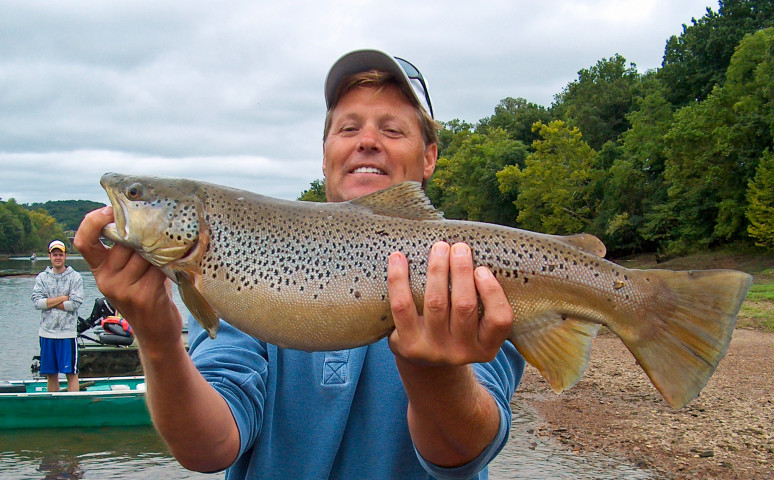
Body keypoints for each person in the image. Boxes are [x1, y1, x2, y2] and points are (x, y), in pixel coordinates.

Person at [74, 49, 525, 478]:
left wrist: (434, 374)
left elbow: (465, 454)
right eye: (348, 129)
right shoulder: (238, 271)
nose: (367, 141)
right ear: (324, 152)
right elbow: (207, 449)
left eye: (392, 130)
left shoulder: (467, 268)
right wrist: (156, 337)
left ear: (429, 157)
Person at [32, 239, 84, 392]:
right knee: (50, 373)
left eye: (60, 254)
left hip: (67, 333)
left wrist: (49, 302)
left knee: (71, 372)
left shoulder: (75, 277)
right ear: (50, 256)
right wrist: (62, 298)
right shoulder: (42, 277)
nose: (57, 258)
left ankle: (73, 405)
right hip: (46, 332)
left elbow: (74, 304)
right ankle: (52, 404)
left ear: (65, 256)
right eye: (54, 255)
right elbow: (37, 303)